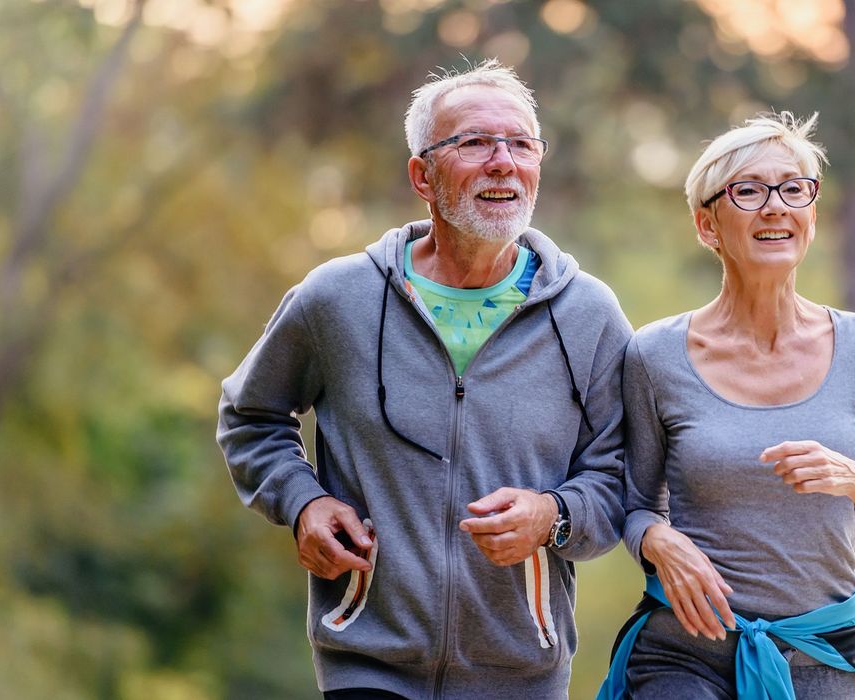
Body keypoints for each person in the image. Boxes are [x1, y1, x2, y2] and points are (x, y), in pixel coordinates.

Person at [217, 60, 632, 699]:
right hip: (368, 662)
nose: (502, 161)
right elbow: (251, 416)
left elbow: (624, 476)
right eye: (474, 143)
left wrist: (553, 515)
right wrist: (304, 503)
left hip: (522, 673)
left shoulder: (588, 315)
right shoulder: (339, 299)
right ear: (422, 175)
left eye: (521, 143)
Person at [598, 113, 855, 700]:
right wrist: (656, 541)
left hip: (820, 653)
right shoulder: (654, 355)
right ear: (707, 225)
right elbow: (632, 507)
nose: (775, 206)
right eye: (749, 191)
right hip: (685, 649)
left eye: (793, 188)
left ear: (811, 213)